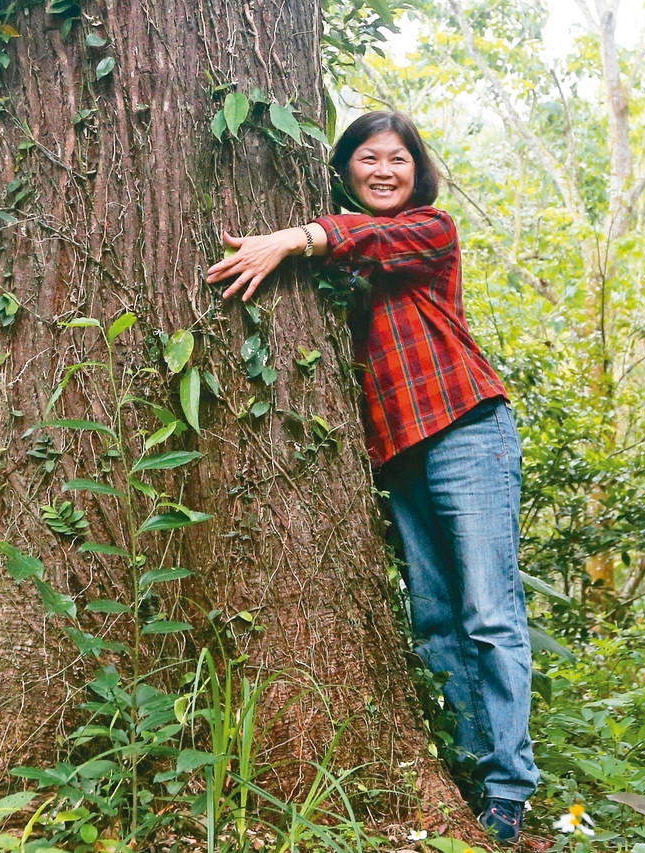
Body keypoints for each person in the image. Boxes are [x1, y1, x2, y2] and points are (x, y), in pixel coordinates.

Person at [205, 110, 539, 844]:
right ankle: (477, 770)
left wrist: (294, 238)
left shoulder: (430, 231)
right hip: (398, 452)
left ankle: (510, 786)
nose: (383, 170)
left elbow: (374, 238)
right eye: (367, 158)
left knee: (488, 611)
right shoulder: (341, 265)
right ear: (345, 167)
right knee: (434, 621)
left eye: (397, 159)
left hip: (466, 430)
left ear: (417, 173)